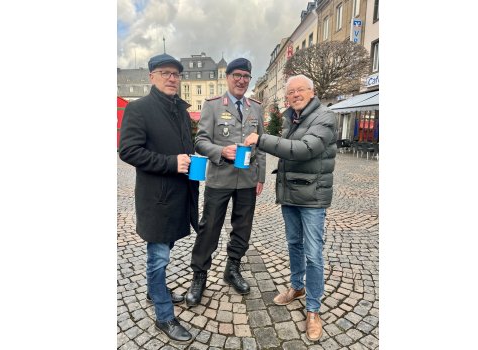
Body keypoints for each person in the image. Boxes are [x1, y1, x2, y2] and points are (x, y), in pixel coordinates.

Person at [243, 74, 337, 342]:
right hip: (291, 193)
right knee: (294, 244)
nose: (294, 95)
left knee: (313, 253)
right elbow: (288, 150)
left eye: (300, 90)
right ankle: (297, 287)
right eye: (290, 92)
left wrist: (261, 139)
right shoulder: (290, 118)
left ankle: (313, 309)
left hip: (312, 197)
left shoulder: (324, 117)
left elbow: (304, 149)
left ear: (312, 91)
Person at [118, 53, 198, 342]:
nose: (172, 78)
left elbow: (182, 147)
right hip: (156, 200)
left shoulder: (182, 110)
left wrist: (191, 160)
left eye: (176, 74)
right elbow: (128, 150)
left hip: (180, 196)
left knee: (166, 249)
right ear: (151, 77)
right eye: (165, 72)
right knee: (158, 258)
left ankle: (155, 291)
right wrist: (170, 162)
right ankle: (164, 317)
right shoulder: (139, 109)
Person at [185, 58, 266, 306]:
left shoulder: (256, 107)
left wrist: (260, 176)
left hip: (247, 180)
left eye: (246, 76)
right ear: (228, 77)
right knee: (209, 228)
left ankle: (232, 269)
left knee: (243, 228)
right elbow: (200, 141)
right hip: (219, 178)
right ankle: (199, 276)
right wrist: (222, 152)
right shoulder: (212, 106)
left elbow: (260, 145)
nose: (241, 80)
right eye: (237, 75)